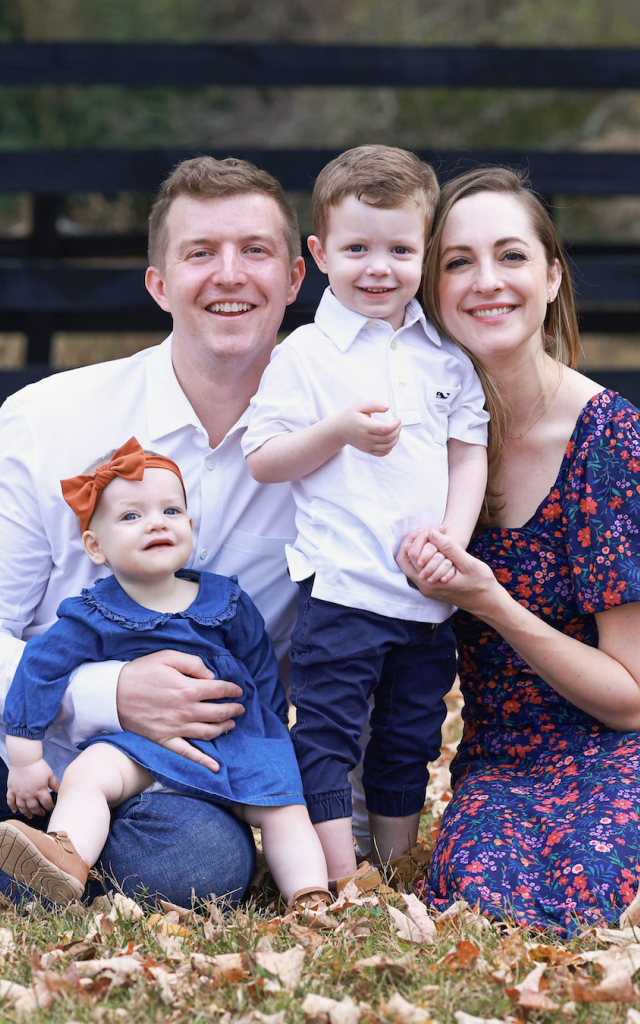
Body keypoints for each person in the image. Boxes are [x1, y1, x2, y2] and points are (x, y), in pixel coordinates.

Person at [0, 156, 306, 905]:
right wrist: (111, 693)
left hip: (177, 777)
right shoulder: (50, 417)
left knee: (197, 870)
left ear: (296, 278)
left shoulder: (329, 454)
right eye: (200, 252)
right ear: (159, 284)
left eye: (255, 251)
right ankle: (9, 856)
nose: (229, 274)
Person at [394, 165, 640, 935]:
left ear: (552, 276)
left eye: (510, 256)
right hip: (506, 752)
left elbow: (635, 697)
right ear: (431, 290)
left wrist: (492, 602)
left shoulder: (609, 441)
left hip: (635, 739)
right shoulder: (412, 441)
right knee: (479, 893)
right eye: (457, 262)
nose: (485, 281)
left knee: (604, 882)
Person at [243, 146, 489, 883]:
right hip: (343, 588)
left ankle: (391, 858)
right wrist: (338, 431)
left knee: (409, 733)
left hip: (425, 597)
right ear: (319, 253)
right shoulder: (306, 355)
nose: (377, 268)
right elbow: (263, 457)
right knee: (325, 731)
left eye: (399, 250)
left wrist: (452, 537)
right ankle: (334, 868)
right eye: (356, 248)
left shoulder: (445, 355)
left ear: (424, 251)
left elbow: (466, 449)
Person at [0, 437, 329, 908]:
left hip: (234, 741)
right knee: (87, 773)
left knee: (285, 808)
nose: (156, 523)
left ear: (190, 525)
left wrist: (274, 737)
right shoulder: (94, 612)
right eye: (131, 516)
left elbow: (262, 671)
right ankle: (68, 857)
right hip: (139, 748)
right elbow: (38, 670)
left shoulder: (226, 601)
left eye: (171, 511)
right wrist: (26, 760)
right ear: (95, 545)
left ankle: (309, 894)